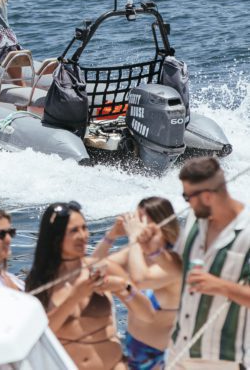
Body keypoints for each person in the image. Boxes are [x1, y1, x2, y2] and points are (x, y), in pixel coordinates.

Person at [25, 201, 154, 370]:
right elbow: (37, 336)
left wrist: (123, 287)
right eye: (74, 231)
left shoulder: (102, 268)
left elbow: (147, 314)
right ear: (55, 237)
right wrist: (75, 296)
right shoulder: (40, 282)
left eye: (84, 228)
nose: (83, 235)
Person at [165, 156, 250, 370]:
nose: (186, 202)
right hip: (178, 352)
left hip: (221, 361)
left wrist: (220, 286)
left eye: (187, 196)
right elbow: (176, 268)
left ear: (207, 197)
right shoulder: (194, 222)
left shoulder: (247, 234)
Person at [95, 197, 182, 370]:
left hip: (161, 356)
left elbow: (140, 280)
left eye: (142, 220)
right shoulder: (136, 254)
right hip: (132, 347)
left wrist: (134, 238)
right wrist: (111, 234)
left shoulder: (174, 263)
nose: (136, 224)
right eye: (136, 219)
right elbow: (94, 265)